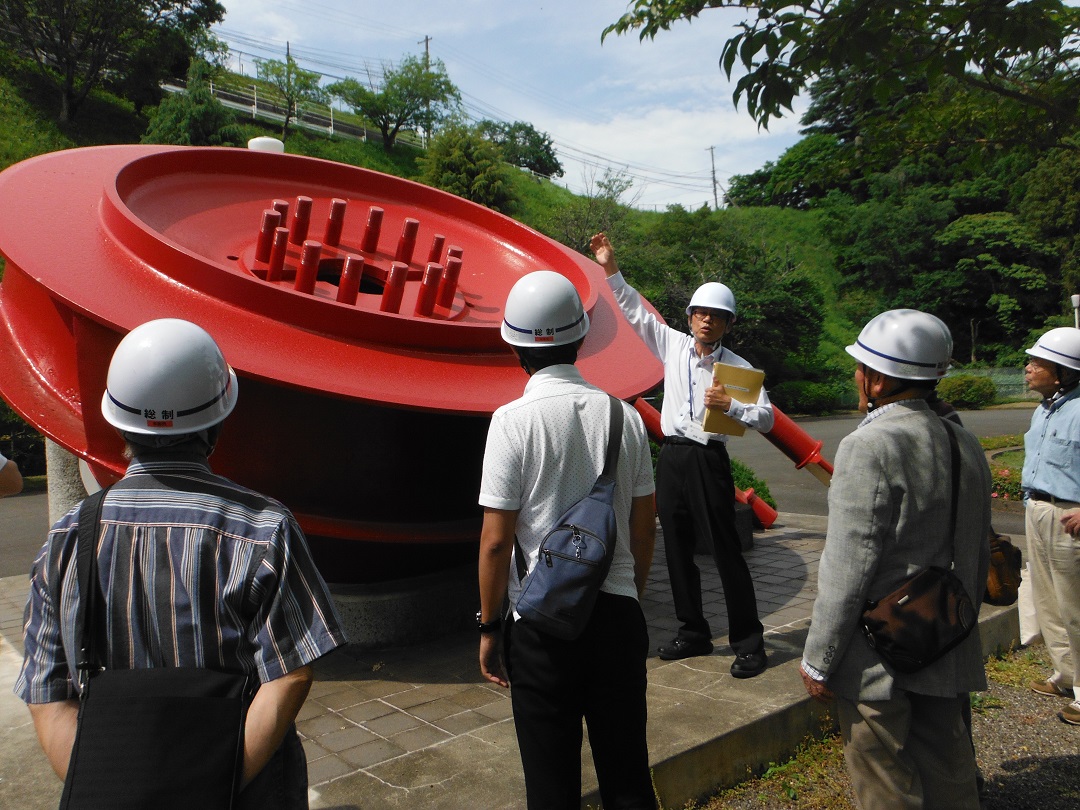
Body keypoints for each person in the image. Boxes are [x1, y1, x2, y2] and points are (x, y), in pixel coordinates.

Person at [15, 318, 347, 808]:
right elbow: (290, 675)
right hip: (245, 788)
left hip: (114, 782)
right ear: (217, 420)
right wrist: (211, 788)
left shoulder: (66, 539)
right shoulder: (261, 527)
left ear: (118, 420)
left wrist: (116, 793)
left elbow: (49, 693)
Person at [477, 271, 658, 809]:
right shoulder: (626, 418)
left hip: (541, 628)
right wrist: (631, 594)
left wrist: (489, 629)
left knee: (551, 787)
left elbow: (495, 542)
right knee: (627, 778)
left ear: (515, 346)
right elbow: (643, 525)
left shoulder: (511, 422)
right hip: (617, 619)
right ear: (580, 339)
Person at [800, 309, 992, 809]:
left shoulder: (869, 444)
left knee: (884, 779)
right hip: (945, 630)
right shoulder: (964, 441)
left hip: (877, 652)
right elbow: (972, 546)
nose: (855, 376)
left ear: (878, 379)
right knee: (949, 771)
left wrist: (818, 659)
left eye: (859, 367)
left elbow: (848, 565)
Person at [589, 232, 772, 676]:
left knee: (726, 551)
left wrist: (734, 407)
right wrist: (610, 268)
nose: (707, 321)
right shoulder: (671, 344)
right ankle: (693, 632)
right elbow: (633, 310)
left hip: (709, 460)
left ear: (728, 324)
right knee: (676, 549)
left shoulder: (739, 369)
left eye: (717, 316)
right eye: (701, 313)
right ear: (690, 318)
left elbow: (765, 417)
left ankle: (749, 642)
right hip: (670, 457)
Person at [1020, 326, 1080, 726]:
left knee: (1076, 607)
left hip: (1070, 518)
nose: (1027, 369)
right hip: (1038, 509)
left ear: (1061, 372)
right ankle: (1066, 675)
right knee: (1048, 601)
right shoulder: (1045, 409)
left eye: (1037, 363)